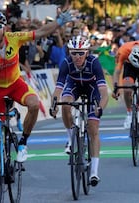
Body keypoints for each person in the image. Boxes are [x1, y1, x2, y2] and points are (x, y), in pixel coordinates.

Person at [0, 10, 74, 198]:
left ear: (4, 29)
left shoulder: (15, 38)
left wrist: (58, 22)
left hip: (16, 84)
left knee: (34, 104)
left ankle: (23, 143)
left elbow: (40, 33)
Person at [50, 35, 109, 187]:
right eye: (74, 52)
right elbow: (58, 89)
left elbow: (103, 91)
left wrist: (100, 107)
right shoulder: (66, 63)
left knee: (93, 128)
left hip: (92, 89)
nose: (77, 56)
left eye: (80, 53)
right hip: (74, 86)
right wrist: (54, 104)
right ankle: (71, 139)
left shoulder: (94, 63)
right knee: (65, 104)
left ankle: (94, 172)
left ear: (87, 53)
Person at [111, 40, 139, 154]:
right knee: (127, 89)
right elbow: (117, 72)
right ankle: (129, 113)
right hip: (130, 65)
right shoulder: (122, 51)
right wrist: (116, 88)